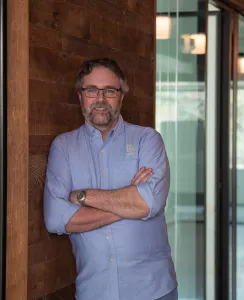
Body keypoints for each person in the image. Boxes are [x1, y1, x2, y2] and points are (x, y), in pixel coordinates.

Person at [43, 58, 177, 300]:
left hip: (153, 290)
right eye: (92, 90)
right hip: (95, 291)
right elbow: (56, 219)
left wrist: (84, 197)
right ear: (80, 96)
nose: (101, 99)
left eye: (110, 91)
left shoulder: (147, 140)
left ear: (121, 96)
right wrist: (129, 203)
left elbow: (150, 203)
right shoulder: (63, 147)